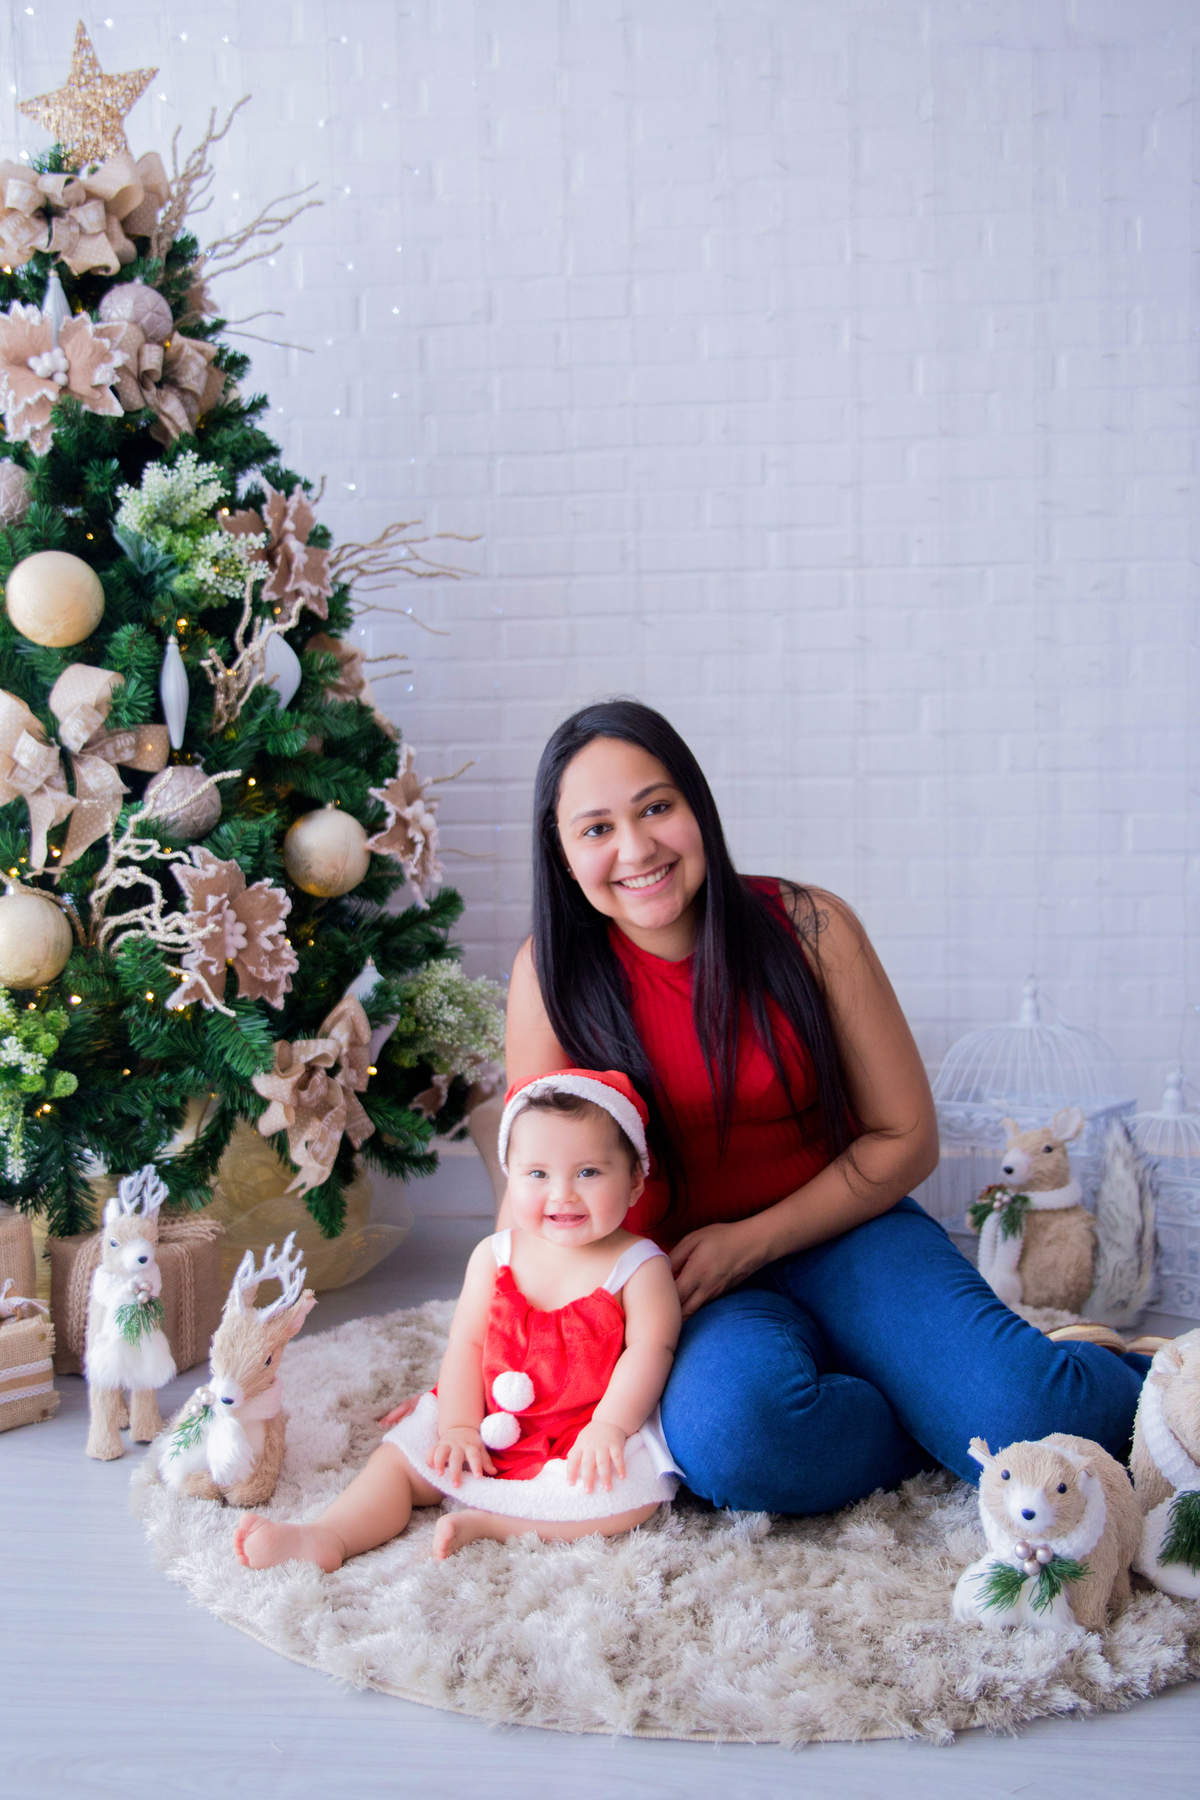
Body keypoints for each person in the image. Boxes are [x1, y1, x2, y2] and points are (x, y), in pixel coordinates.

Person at [504, 698, 1150, 1515]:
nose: (636, 849)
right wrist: (498, 1364)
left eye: (656, 807)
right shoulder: (548, 973)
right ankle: (926, 1407)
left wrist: (750, 1240)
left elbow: (908, 1137)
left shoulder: (810, 927)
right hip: (690, 1289)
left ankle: (1119, 1373)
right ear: (561, 854)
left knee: (1035, 1419)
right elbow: (531, 1189)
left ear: (696, 807)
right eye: (595, 829)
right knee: (738, 1446)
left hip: (854, 1233)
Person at [233, 1069, 682, 1568]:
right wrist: (460, 1426)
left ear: (636, 1180)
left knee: (631, 1498)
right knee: (401, 1460)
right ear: (511, 1177)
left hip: (581, 1424)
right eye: (538, 1174)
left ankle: (498, 1525)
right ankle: (327, 1535)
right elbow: (468, 1345)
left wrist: (609, 1428)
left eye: (589, 1173)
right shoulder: (495, 1254)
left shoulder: (639, 1267)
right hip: (484, 1410)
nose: (563, 1194)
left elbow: (650, 1352)